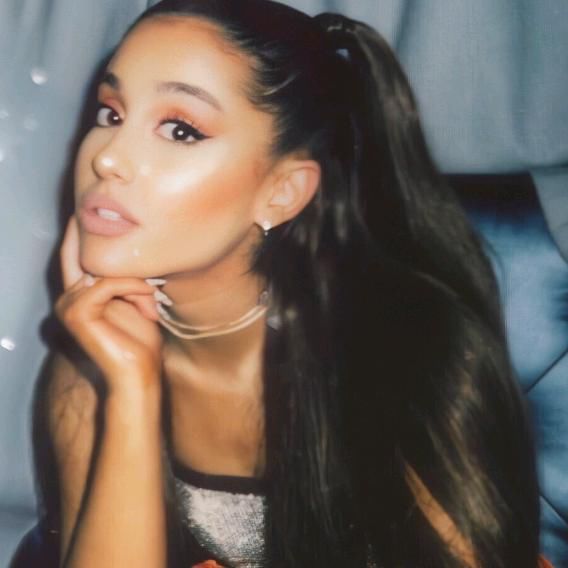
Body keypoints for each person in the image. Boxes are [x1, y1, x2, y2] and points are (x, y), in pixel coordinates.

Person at [27, 0, 551, 566]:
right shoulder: (90, 372)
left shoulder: (401, 357)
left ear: (282, 193)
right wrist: (133, 389)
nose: (107, 159)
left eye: (179, 129)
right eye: (110, 114)